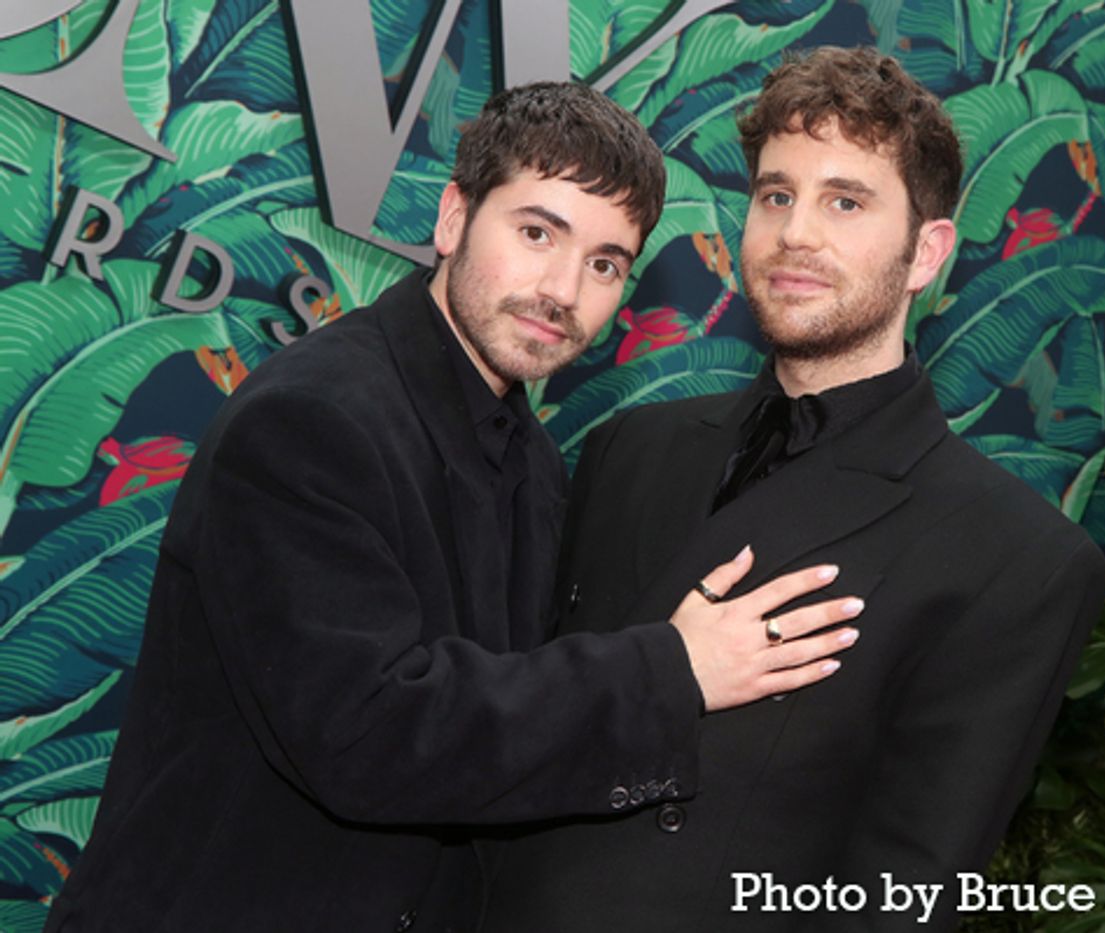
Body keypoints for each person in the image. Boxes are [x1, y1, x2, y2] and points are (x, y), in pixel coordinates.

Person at [42, 83, 863, 933]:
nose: (562, 288)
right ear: (452, 219)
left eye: (605, 263)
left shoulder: (534, 461)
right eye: (537, 231)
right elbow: (369, 732)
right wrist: (673, 669)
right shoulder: (312, 420)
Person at [480, 48, 1105, 932]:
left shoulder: (1018, 561)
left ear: (926, 252)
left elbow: (895, 902)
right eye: (776, 195)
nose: (795, 234)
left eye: (845, 202)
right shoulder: (632, 444)